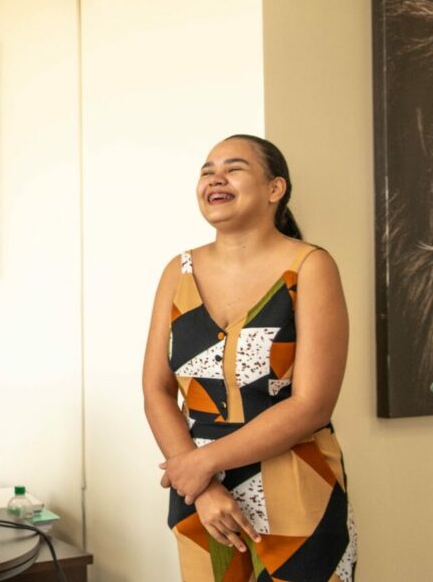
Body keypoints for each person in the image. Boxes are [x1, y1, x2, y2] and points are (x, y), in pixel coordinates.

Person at [142, 135, 357, 581]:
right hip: (204, 499)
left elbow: (313, 404)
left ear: (275, 189)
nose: (215, 178)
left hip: (298, 489)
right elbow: (156, 390)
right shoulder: (176, 271)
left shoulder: (310, 267)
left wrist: (202, 464)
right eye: (207, 170)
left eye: (234, 168)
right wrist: (200, 486)